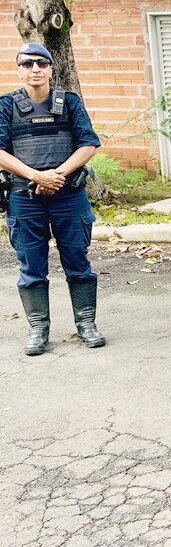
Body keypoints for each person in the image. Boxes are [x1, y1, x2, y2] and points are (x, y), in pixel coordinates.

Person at [0, 42, 105, 355]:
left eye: (41, 63)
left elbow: (88, 144)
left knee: (78, 262)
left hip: (68, 194)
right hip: (24, 197)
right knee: (31, 266)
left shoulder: (69, 102)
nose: (35, 69)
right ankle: (38, 330)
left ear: (50, 68)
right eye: (27, 64)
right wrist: (36, 175)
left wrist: (56, 174)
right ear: (19, 69)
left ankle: (86, 325)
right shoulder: (5, 105)